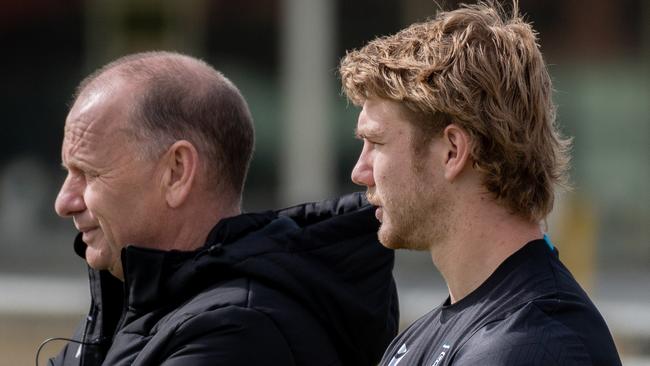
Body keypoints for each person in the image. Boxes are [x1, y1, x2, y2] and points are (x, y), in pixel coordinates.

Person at [47, 51, 398, 366]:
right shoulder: (129, 303)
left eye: (89, 173)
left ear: (177, 172)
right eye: (68, 173)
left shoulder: (240, 329)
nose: (65, 202)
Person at [339, 2, 622, 365]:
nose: (360, 172)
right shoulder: (422, 339)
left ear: (453, 151)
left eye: (376, 144)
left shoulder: (536, 343)